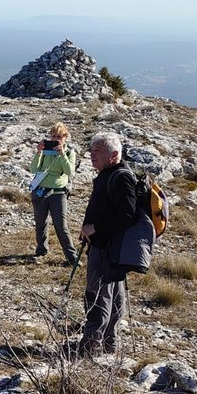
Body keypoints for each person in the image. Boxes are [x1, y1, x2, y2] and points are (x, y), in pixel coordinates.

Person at [78, 132, 138, 355]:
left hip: (107, 249)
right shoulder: (110, 173)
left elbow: (127, 215)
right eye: (91, 150)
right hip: (110, 248)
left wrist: (95, 228)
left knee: (98, 297)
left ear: (113, 155)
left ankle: (91, 349)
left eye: (98, 151)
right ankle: (108, 345)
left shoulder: (119, 177)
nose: (92, 154)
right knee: (113, 297)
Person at [30, 121, 79, 266]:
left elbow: (70, 172)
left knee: (61, 226)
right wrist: (39, 152)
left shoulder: (70, 152)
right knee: (40, 223)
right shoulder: (46, 151)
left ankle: (71, 256)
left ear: (65, 137)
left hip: (58, 193)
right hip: (40, 191)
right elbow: (34, 169)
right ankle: (41, 250)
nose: (55, 139)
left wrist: (62, 154)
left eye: (59, 136)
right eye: (53, 136)